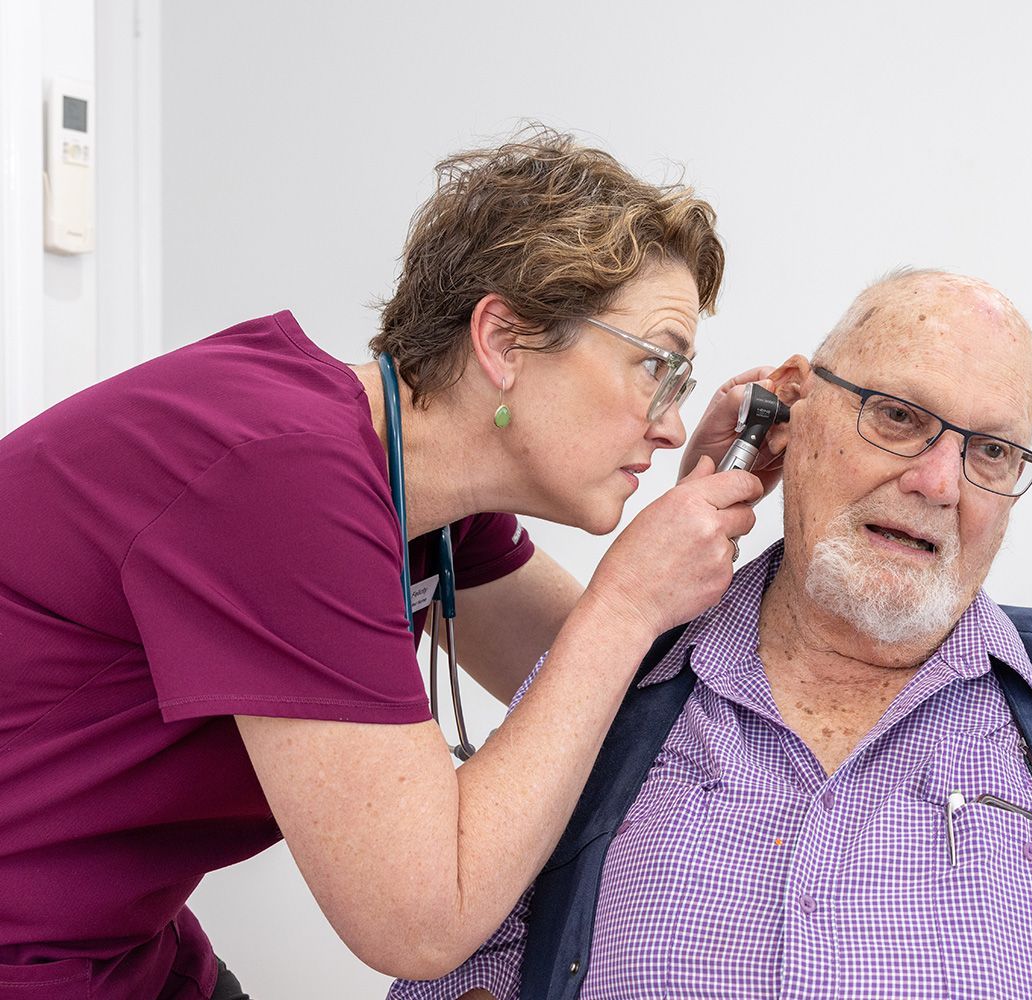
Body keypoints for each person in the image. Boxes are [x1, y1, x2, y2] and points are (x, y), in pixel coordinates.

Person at [0, 128, 773, 1000]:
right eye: (656, 368)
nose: (669, 421)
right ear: (505, 341)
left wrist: (714, 485)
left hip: (124, 950)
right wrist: (627, 599)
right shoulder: (282, 478)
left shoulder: (419, 499)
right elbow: (418, 920)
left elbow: (621, 699)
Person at [392, 269, 1032, 1000]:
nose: (939, 481)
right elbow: (456, 963)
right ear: (790, 410)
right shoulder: (617, 672)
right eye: (899, 416)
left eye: (992, 451)